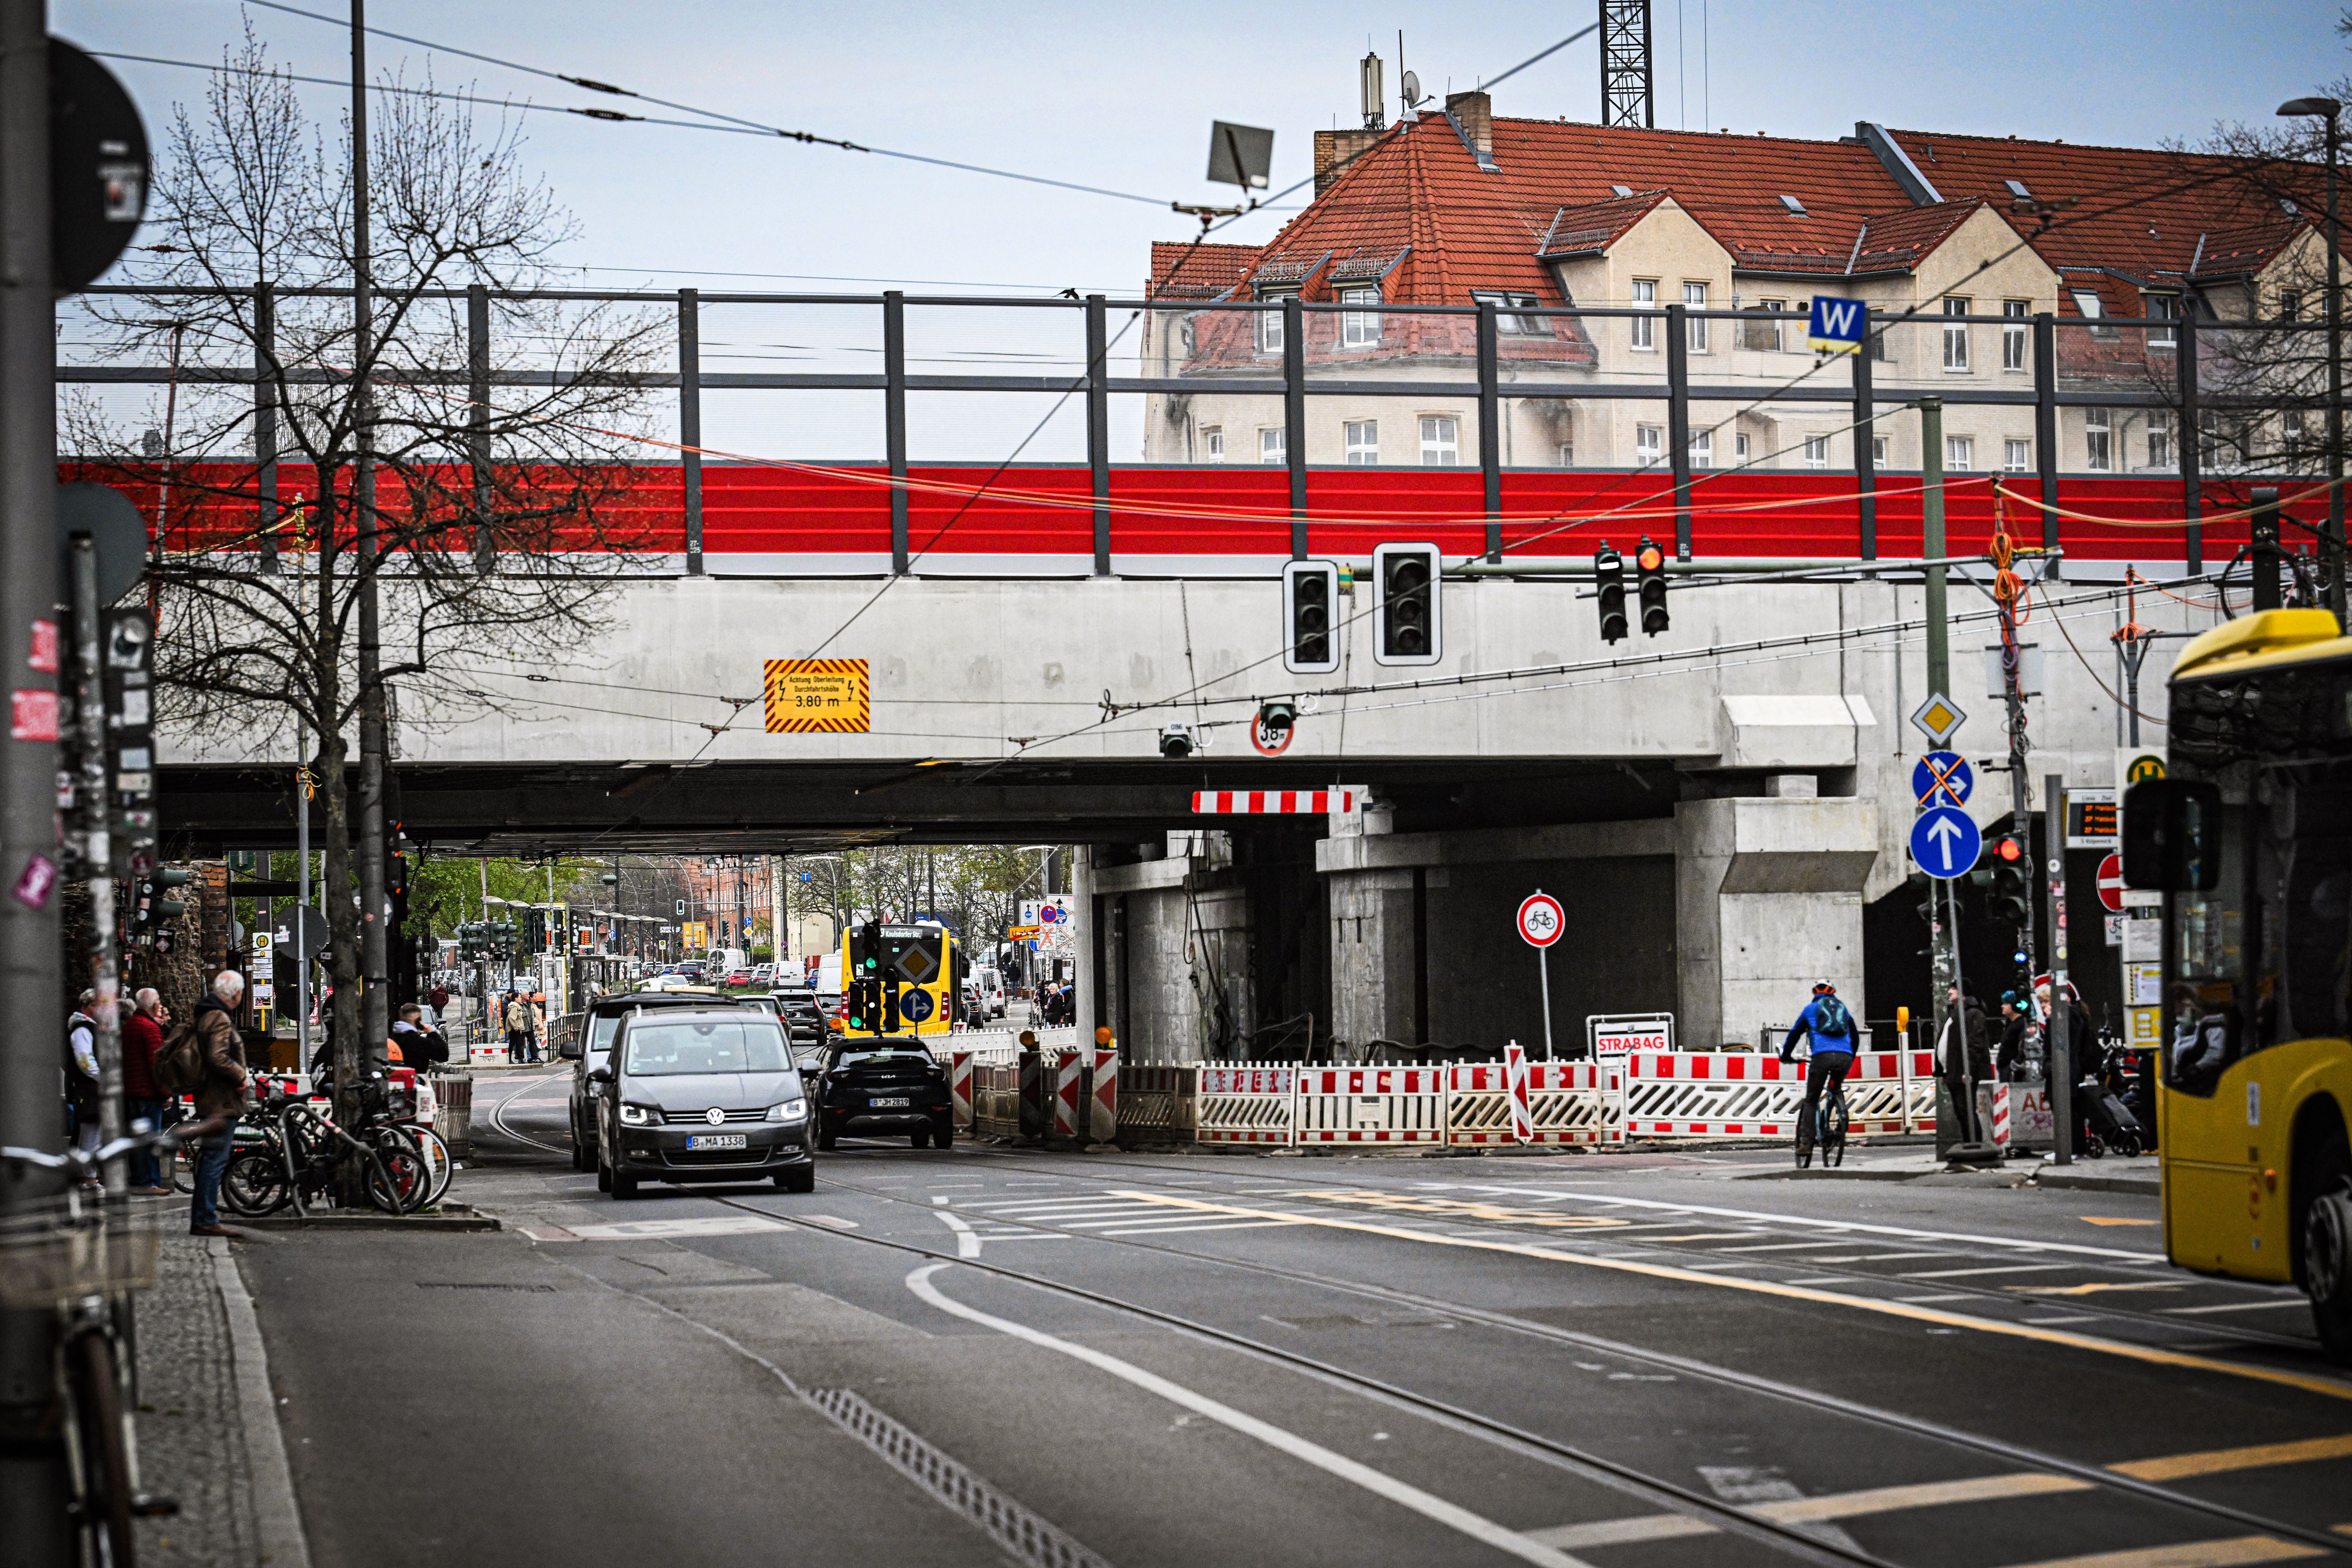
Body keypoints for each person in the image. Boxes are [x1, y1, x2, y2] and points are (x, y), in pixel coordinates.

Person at [189, 971, 252, 1239]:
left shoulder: (207, 1014)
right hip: (221, 1101)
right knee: (215, 1160)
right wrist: (240, 1075)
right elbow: (218, 1057)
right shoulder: (219, 1018)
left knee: (210, 1159)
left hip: (212, 1098)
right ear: (235, 994)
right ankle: (206, 1218)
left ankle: (204, 1216)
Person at [1780, 980, 1857, 1145]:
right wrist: (1851, 1055)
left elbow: (1795, 1034)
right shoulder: (1843, 1008)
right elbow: (1855, 1035)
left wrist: (1786, 1055)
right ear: (1833, 993)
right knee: (1835, 1088)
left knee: (1812, 1099)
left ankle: (1806, 1144)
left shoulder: (1810, 1009)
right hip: (1845, 1057)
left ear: (1815, 993)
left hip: (1822, 1058)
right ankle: (1842, 1118)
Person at [121, 989, 170, 1195]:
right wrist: (166, 1092)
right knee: (151, 1140)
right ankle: (150, 1182)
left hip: (131, 1092)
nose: (161, 1004)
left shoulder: (129, 1025)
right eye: (159, 1001)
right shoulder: (150, 1028)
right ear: (152, 1005)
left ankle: (140, 1180)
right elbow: (156, 1065)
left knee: (136, 1140)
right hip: (148, 1094)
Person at [63, 993, 103, 1188]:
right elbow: (85, 1061)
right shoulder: (83, 1029)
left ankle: (85, 1176)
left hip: (90, 1088)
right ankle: (89, 1178)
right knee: (90, 1135)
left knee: (87, 1134)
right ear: (91, 1006)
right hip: (89, 1090)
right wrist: (103, 1078)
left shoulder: (86, 1028)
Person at [391, 1002, 448, 1074]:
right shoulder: (416, 1041)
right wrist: (432, 1033)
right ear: (418, 1020)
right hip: (414, 1080)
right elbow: (443, 1053)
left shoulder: (393, 1039)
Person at [1997, 992, 2030, 1083]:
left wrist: (2015, 1064)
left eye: (2006, 1004)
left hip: (2013, 1073)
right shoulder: (2010, 1024)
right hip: (2006, 1070)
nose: (2002, 1006)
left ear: (2015, 1006)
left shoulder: (2021, 1025)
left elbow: (2024, 1046)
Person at [504, 990, 532, 1064]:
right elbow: (511, 1018)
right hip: (515, 1029)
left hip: (515, 1029)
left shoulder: (515, 1006)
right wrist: (516, 1027)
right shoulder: (515, 1007)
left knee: (515, 1044)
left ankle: (516, 1059)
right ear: (516, 999)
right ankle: (518, 1059)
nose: (521, 999)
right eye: (519, 997)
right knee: (517, 1044)